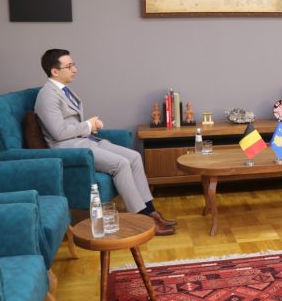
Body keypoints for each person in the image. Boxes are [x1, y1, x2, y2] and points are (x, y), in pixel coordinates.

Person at [35, 49, 176, 236]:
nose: (75, 69)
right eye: (69, 66)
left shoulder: (64, 90)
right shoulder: (47, 95)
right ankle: (141, 219)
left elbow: (71, 124)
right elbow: (58, 132)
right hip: (70, 148)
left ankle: (151, 211)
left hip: (85, 140)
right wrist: (88, 125)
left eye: (74, 64)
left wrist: (90, 127)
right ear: (55, 71)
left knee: (134, 157)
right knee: (121, 164)